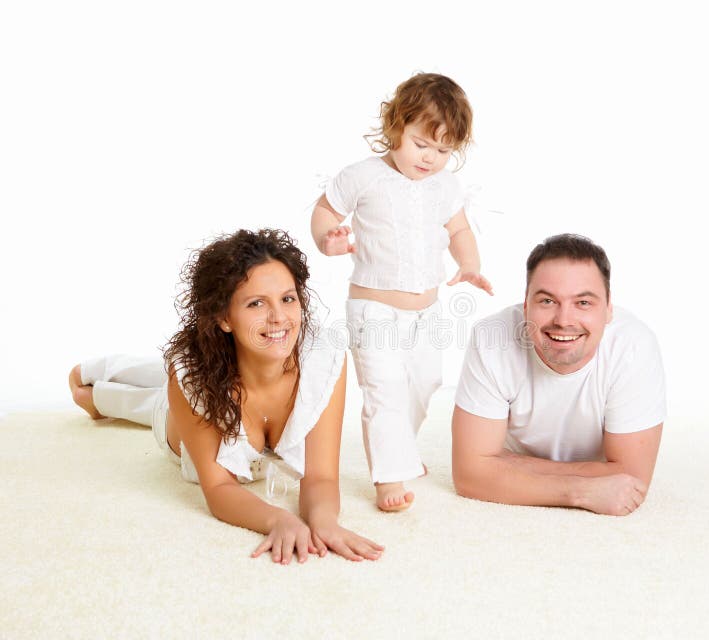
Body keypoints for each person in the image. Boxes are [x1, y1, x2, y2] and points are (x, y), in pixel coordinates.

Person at [68, 228, 384, 563]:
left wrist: (324, 522)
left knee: (168, 377)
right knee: (147, 397)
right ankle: (92, 391)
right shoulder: (192, 377)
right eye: (256, 303)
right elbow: (219, 489)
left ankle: (102, 388)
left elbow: (321, 476)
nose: (279, 317)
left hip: (230, 366)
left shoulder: (323, 360)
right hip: (180, 415)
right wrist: (277, 519)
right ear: (224, 317)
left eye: (288, 298)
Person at [310, 72, 493, 511]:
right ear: (396, 127)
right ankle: (389, 474)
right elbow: (324, 211)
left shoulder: (445, 186)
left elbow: (459, 228)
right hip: (373, 308)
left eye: (444, 150)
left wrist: (470, 265)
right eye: (421, 144)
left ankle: (399, 447)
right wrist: (327, 239)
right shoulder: (362, 176)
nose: (430, 158)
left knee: (426, 380)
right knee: (385, 387)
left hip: (426, 311)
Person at [452, 234, 666, 516]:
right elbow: (469, 476)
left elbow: (631, 479)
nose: (564, 320)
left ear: (609, 309)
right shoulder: (492, 338)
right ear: (526, 305)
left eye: (583, 303)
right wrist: (578, 491)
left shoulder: (634, 346)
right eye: (547, 301)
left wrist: (501, 464)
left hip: (511, 476)